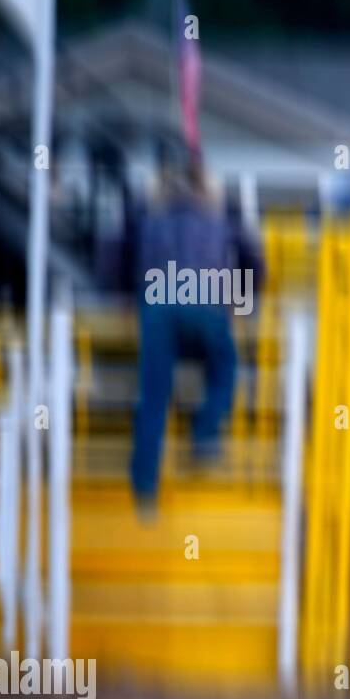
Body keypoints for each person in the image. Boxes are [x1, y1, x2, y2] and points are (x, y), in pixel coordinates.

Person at [130, 155, 264, 511]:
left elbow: (120, 258)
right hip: (204, 300)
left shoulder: (152, 218)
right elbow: (254, 260)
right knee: (225, 365)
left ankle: (144, 490)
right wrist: (243, 299)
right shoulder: (220, 218)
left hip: (157, 304)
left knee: (153, 397)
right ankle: (203, 434)